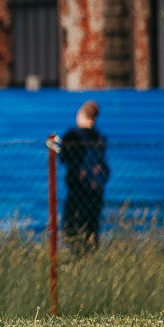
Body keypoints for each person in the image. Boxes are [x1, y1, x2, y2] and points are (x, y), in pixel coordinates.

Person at [60, 100, 109, 253]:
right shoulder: (99, 137)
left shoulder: (72, 135)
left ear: (81, 114)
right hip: (95, 190)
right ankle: (90, 256)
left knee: (71, 227)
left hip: (77, 189)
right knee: (92, 228)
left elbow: (63, 158)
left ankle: (77, 255)